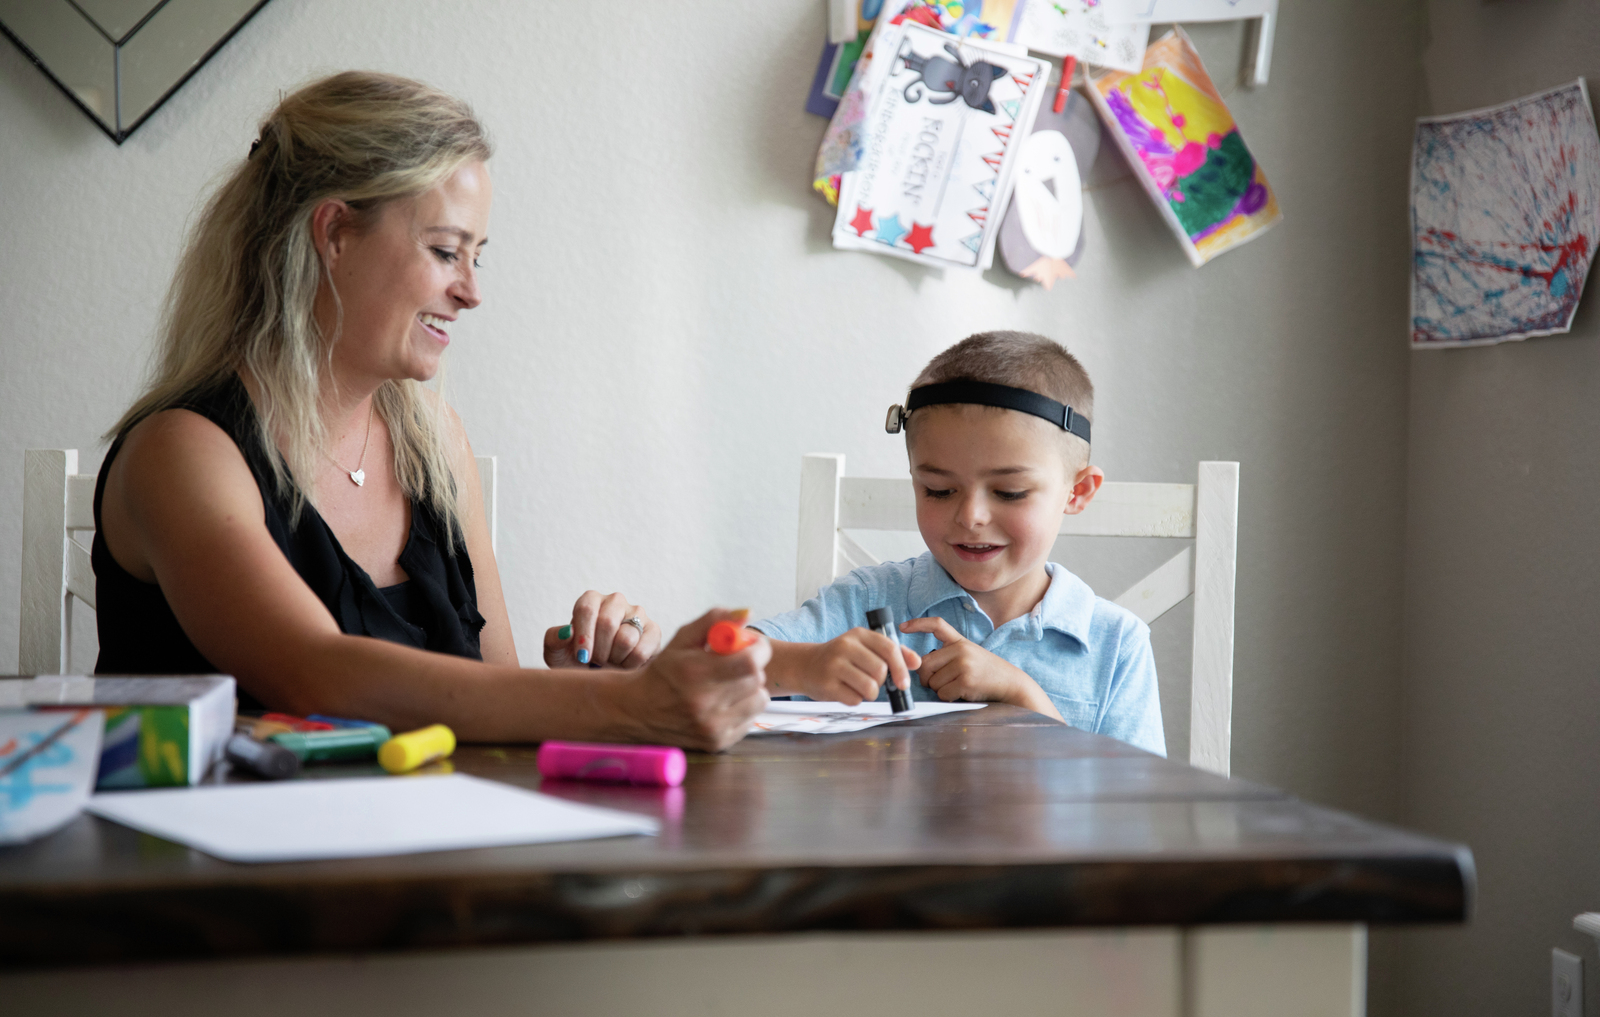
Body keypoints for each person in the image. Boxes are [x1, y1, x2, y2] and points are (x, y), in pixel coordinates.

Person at [92, 71, 768, 750]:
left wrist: (582, 682)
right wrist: (621, 705)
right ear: (334, 232)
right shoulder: (181, 453)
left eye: (477, 258)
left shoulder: (433, 441)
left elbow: (492, 689)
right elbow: (317, 678)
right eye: (446, 251)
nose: (471, 292)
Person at [750, 331, 1165, 755]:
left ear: (1077, 492)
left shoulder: (1117, 645)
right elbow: (718, 658)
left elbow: (1138, 794)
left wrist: (1022, 697)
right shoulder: (864, 603)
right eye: (939, 490)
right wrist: (804, 666)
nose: (971, 517)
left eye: (1009, 492)